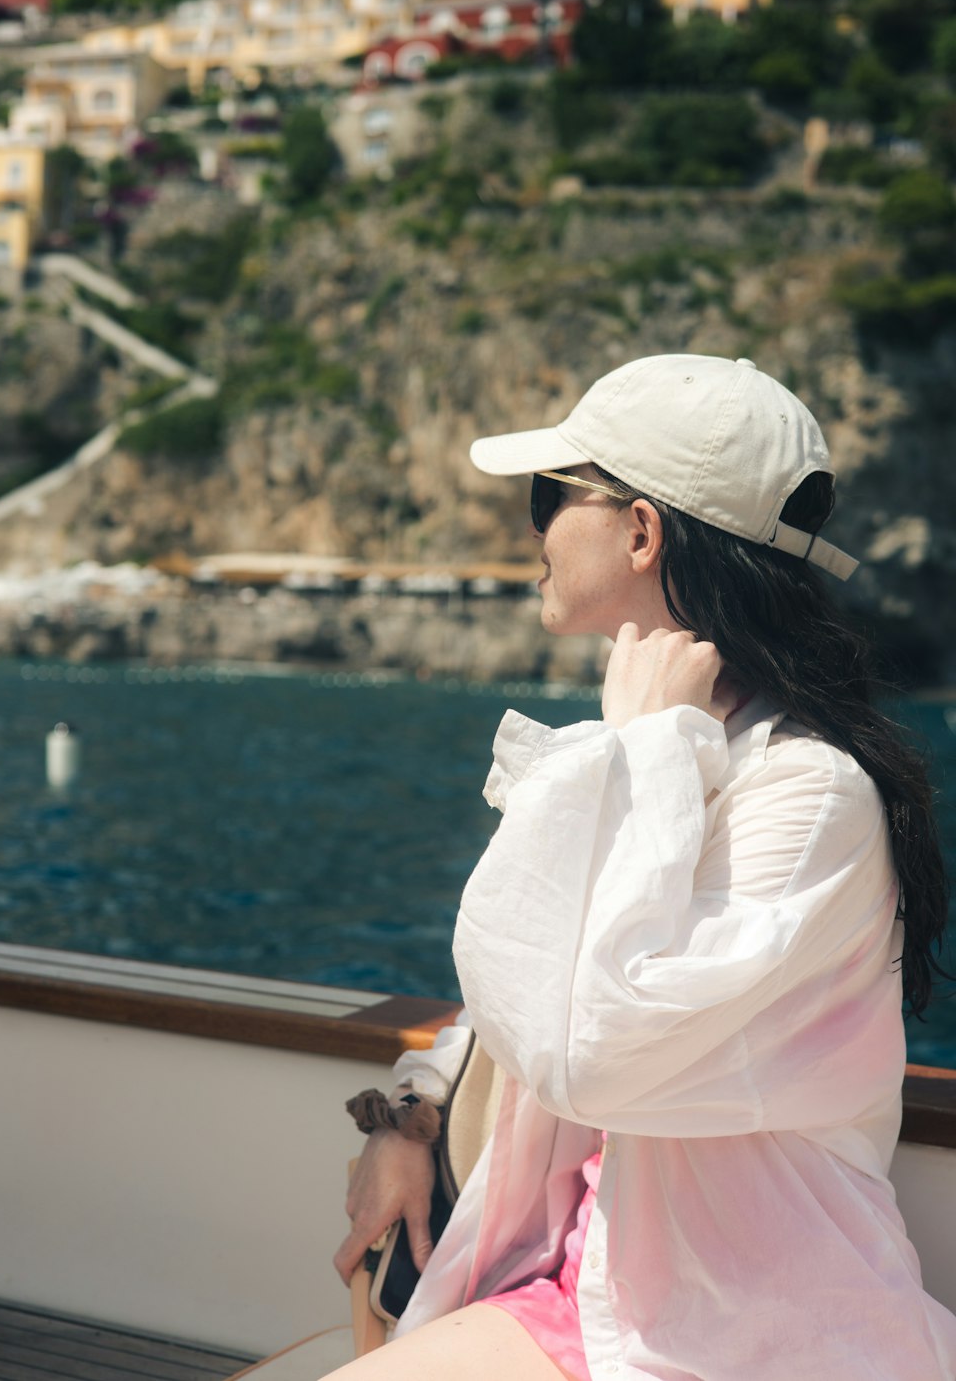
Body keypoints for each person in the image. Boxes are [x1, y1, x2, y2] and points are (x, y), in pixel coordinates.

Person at [327, 353, 956, 1381]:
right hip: (592, 1293)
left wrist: (650, 751)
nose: (534, 528)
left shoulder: (808, 799)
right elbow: (527, 985)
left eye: (550, 496)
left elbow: (597, 1049)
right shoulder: (655, 747)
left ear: (638, 529)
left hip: (747, 1329)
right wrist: (409, 1116)